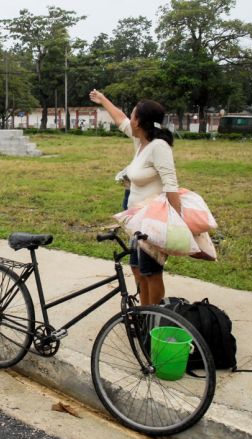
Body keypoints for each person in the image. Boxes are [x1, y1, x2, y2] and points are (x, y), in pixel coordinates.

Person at [89, 89, 181, 306]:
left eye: (133, 115)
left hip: (152, 220)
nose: (129, 119)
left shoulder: (159, 147)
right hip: (137, 218)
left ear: (140, 122)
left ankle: (153, 318)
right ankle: (143, 311)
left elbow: (171, 184)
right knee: (137, 267)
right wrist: (103, 99)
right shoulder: (141, 141)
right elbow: (119, 117)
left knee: (151, 272)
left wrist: (177, 220)